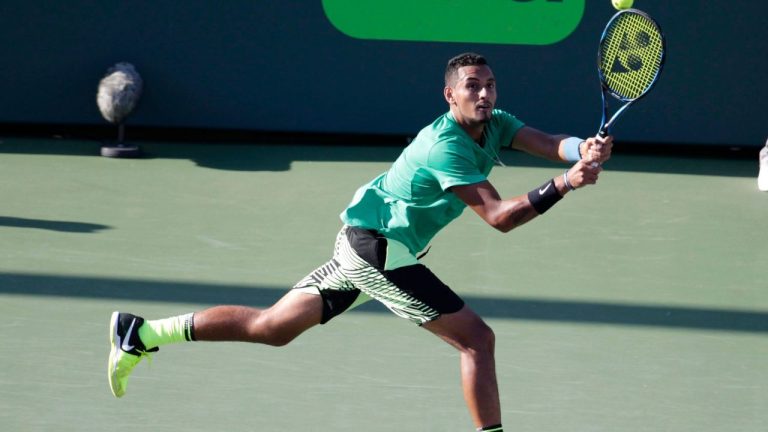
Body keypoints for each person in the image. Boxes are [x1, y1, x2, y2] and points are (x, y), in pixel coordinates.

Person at [108, 52, 612, 432]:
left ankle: (143, 333)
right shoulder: (446, 147)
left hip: (365, 242)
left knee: (273, 327)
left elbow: (546, 143)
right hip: (379, 250)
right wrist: (567, 182)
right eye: (472, 87)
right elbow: (500, 217)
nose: (484, 95)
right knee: (476, 340)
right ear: (450, 96)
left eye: (490, 86)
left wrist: (579, 149)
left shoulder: (494, 124)